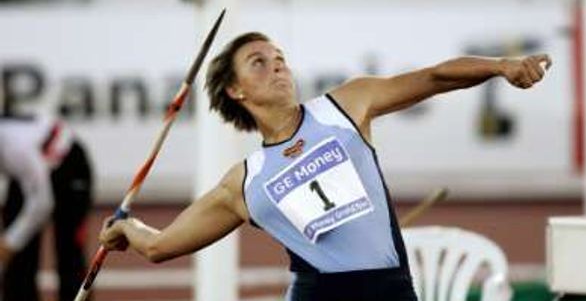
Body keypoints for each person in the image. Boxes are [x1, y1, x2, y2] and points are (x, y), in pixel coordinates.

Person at [99, 32, 551, 301]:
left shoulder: (346, 107)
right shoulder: (244, 182)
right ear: (236, 90)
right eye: (259, 63)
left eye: (281, 60)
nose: (278, 68)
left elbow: (434, 77)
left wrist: (500, 66)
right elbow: (161, 246)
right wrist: (126, 227)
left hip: (389, 293)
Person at [0, 116, 93, 301]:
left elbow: (42, 203)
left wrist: (10, 242)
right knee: (19, 262)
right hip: (32, 169)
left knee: (69, 251)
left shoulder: (17, 149)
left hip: (69, 164)